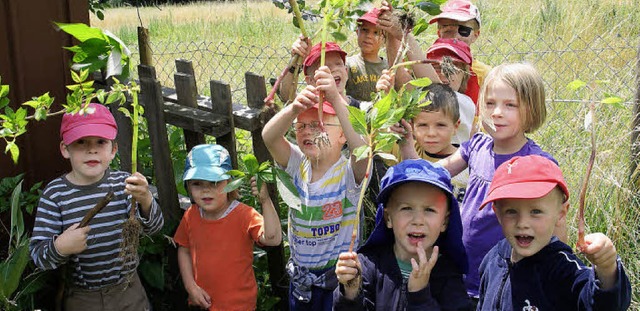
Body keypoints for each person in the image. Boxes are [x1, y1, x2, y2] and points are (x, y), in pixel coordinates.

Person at [436, 63, 566, 304]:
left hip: (507, 276)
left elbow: (556, 219)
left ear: (531, 109)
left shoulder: (536, 163)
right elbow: (437, 172)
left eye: (510, 105)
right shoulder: (477, 147)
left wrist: (559, 267)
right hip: (462, 269)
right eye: (489, 103)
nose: (496, 112)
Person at [262, 40, 369, 310]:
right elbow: (269, 136)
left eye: (319, 125)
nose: (309, 131)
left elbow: (363, 151)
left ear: (343, 135)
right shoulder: (297, 164)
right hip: (301, 280)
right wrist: (294, 108)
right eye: (302, 126)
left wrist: (334, 97)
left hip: (336, 280)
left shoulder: (348, 173)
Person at [29, 103, 164, 311]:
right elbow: (38, 257)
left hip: (128, 290)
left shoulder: (125, 185)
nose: (91, 149)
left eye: (100, 142)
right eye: (81, 142)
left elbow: (154, 228)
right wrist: (60, 247)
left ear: (113, 150)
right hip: (83, 297)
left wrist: (146, 199)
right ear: (65, 149)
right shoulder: (55, 195)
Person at [477, 155, 632, 310]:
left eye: (536, 211)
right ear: (497, 213)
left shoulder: (563, 269)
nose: (522, 223)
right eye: (511, 211)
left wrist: (606, 268)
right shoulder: (493, 259)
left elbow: (603, 305)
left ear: (561, 213)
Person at [333, 159, 472, 310]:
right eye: (406, 208)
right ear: (388, 218)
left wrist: (419, 294)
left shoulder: (449, 275)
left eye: (429, 210)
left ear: (445, 221)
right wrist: (351, 293)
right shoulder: (368, 266)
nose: (418, 220)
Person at [173, 144, 282, 310]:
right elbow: (184, 249)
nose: (206, 190)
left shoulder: (244, 215)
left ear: (230, 182)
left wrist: (265, 200)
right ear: (188, 186)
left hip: (239, 306)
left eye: (214, 182)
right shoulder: (191, 215)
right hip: (202, 303)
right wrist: (191, 287)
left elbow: (273, 239)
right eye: (197, 183)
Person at [388, 83, 469, 205]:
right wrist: (386, 95)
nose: (431, 133)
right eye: (423, 125)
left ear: (455, 126)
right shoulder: (404, 147)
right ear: (412, 126)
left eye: (440, 125)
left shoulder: (467, 162)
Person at [428, 0, 492, 104]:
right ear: (439, 33)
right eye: (448, 31)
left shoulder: (486, 75)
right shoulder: (427, 66)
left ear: (476, 35)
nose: (456, 37)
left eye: (464, 31)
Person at [279, 41, 363, 109]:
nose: (334, 69)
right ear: (310, 81)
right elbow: (287, 96)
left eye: (338, 64)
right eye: (325, 66)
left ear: (346, 71)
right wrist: (295, 63)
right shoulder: (309, 105)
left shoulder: (360, 108)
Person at [426, 38, 476, 143]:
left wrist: (408, 38)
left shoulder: (465, 103)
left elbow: (439, 93)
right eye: (437, 67)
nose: (444, 73)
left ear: (465, 74)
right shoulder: (422, 98)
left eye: (452, 68)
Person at [345, 7, 388, 102]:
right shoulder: (348, 64)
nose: (369, 36)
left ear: (384, 39)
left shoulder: (388, 68)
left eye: (376, 32)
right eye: (365, 30)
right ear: (357, 32)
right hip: (354, 115)